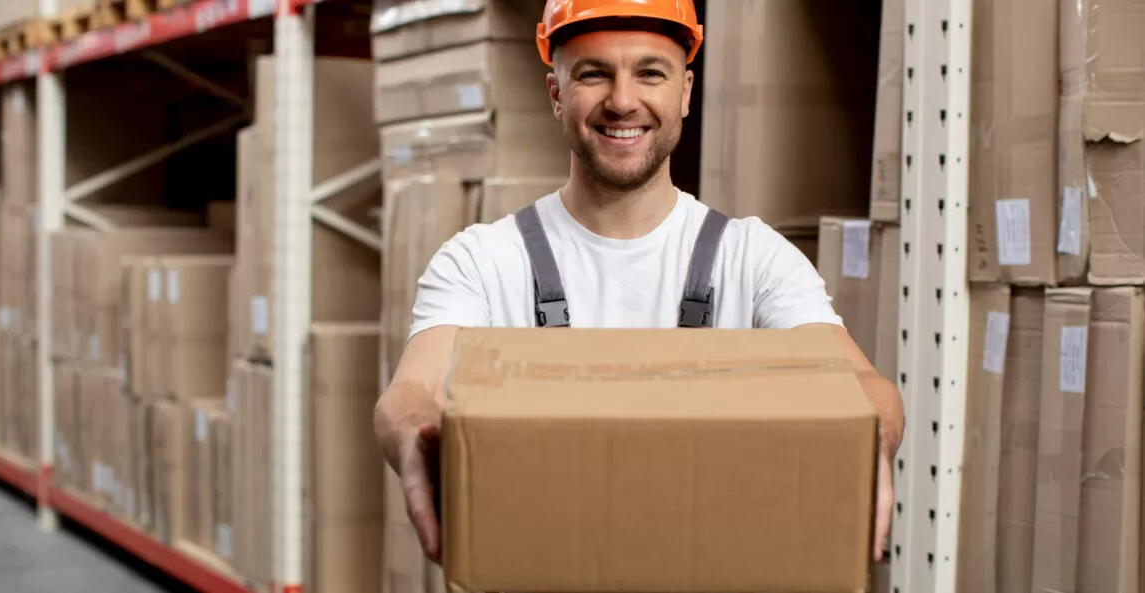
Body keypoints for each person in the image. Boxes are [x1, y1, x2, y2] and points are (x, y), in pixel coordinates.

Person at [374, 0, 905, 567]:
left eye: (650, 72)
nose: (623, 100)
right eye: (593, 73)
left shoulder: (754, 259)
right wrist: (414, 437)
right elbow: (413, 390)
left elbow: (861, 383)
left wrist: (868, 436)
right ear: (556, 93)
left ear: (686, 91)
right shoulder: (480, 261)